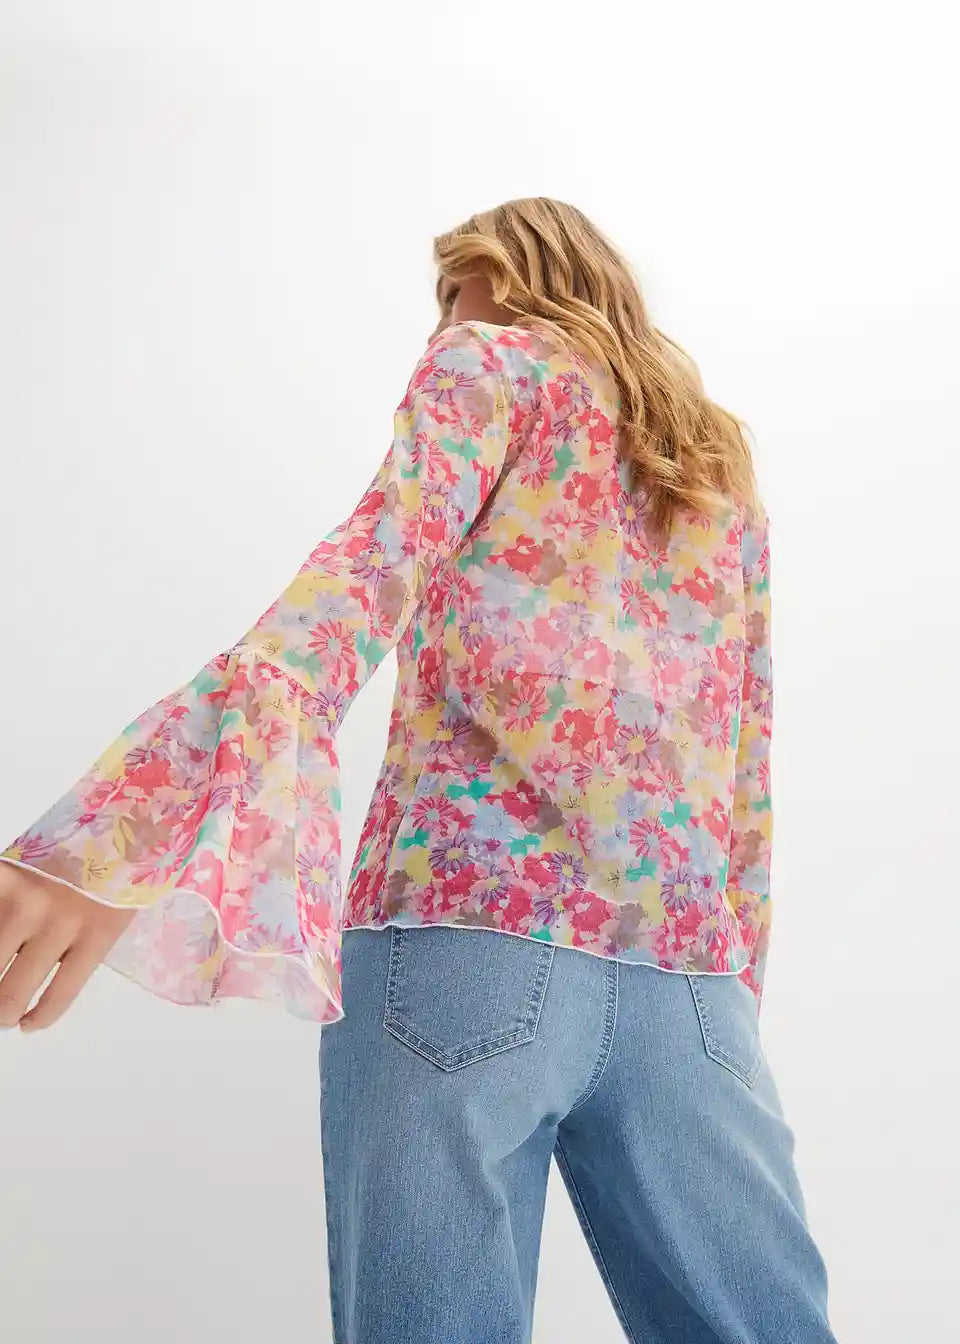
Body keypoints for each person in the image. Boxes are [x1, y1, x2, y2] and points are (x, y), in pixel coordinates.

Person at [0, 197, 837, 1343]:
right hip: (690, 985)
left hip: (464, 941)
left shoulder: (489, 364)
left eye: (456, 290)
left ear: (519, 276)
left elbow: (362, 578)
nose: (444, 319)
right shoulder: (715, 467)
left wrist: (117, 835)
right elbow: (748, 764)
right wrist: (734, 992)